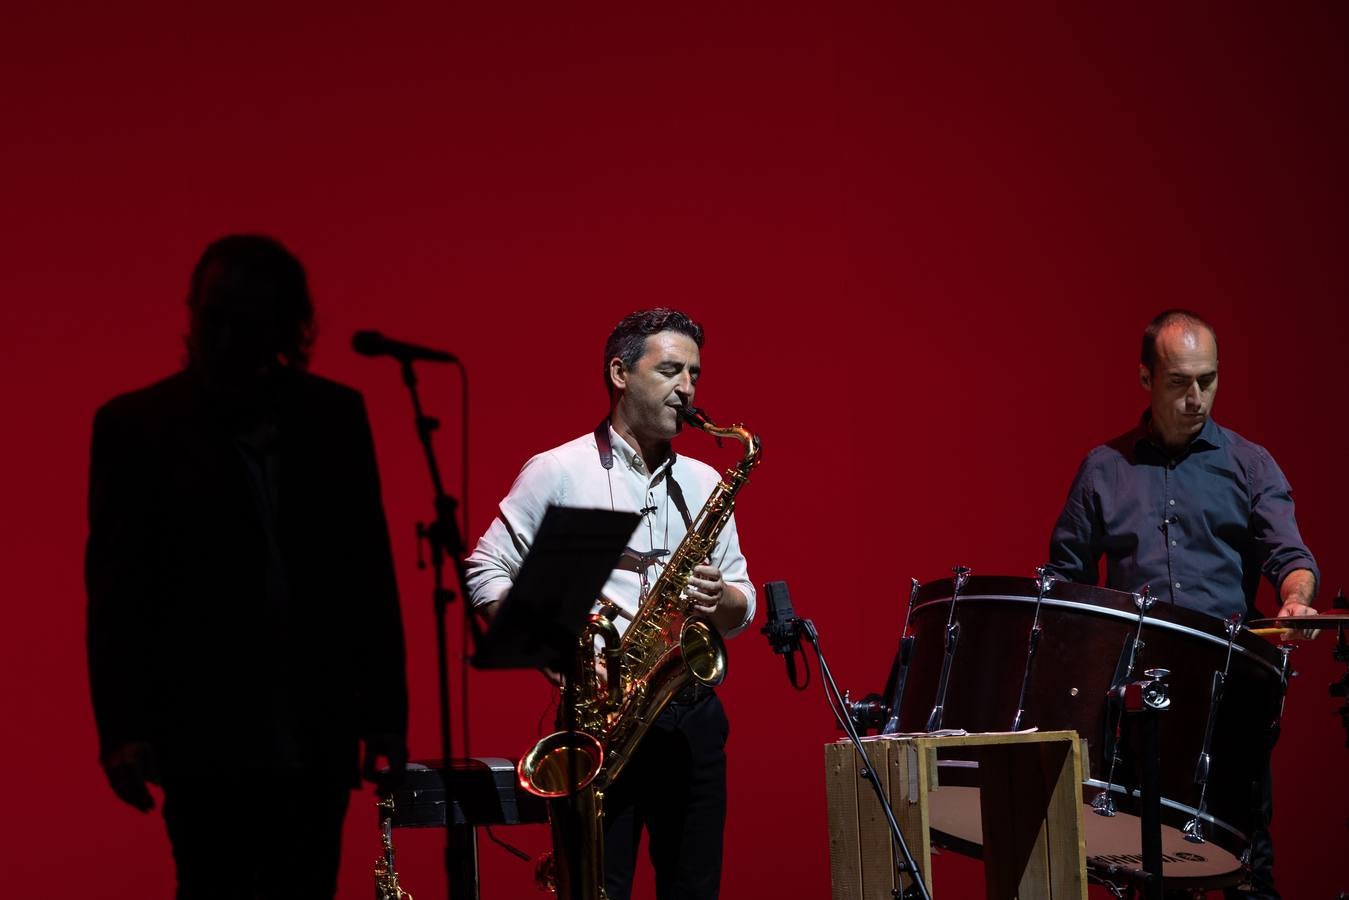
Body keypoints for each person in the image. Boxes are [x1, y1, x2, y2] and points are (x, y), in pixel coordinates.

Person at [85, 234, 408, 899]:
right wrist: (120, 730)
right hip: (204, 727)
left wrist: (384, 715)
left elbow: (365, 574)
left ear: (284, 327)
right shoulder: (137, 427)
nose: (223, 333)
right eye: (213, 315)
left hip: (312, 726)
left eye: (244, 318)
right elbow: (117, 591)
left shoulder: (331, 418)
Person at [465, 308, 755, 900]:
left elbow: (743, 602)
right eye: (671, 370)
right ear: (620, 373)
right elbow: (483, 569)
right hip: (604, 719)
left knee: (695, 889)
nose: (688, 390)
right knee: (602, 889)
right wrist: (551, 643)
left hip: (689, 718)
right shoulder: (558, 470)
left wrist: (720, 596)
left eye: (695, 375)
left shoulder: (704, 481)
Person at [1047, 308, 1318, 899]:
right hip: (1137, 704)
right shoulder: (1104, 470)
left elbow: (1290, 558)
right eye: (1179, 382)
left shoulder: (1250, 465)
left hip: (1228, 694)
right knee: (1150, 865)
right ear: (1145, 379)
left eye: (1208, 380)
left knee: (1247, 860)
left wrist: (1296, 600)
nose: (1197, 397)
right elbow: (1063, 586)